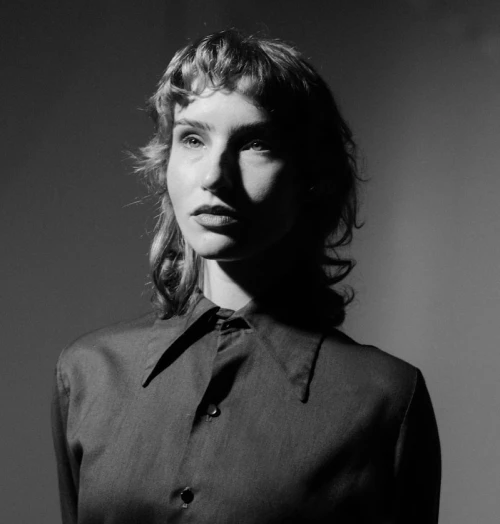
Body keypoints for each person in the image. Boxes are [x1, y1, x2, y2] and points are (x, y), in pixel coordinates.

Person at [51, 29, 441, 523]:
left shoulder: (385, 399)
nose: (214, 176)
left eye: (256, 143)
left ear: (311, 178)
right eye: (192, 138)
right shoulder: (89, 373)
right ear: (166, 163)